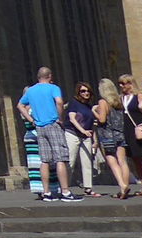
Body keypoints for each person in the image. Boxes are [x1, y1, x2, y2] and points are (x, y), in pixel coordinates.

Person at [18, 67, 80, 201]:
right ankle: (65, 192)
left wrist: (32, 120)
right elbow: (59, 101)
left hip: (40, 127)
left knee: (44, 160)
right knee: (60, 158)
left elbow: (20, 105)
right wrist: (60, 117)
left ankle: (46, 192)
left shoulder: (31, 90)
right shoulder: (53, 88)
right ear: (50, 76)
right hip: (53, 124)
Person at [94, 79, 132, 199]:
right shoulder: (118, 101)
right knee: (123, 161)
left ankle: (122, 185)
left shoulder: (103, 102)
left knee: (112, 161)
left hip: (107, 135)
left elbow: (102, 119)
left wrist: (94, 111)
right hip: (120, 133)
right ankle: (125, 187)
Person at [64, 81, 103, 196]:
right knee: (70, 161)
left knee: (87, 162)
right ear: (78, 92)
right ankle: (64, 188)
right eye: (83, 91)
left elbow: (92, 125)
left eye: (87, 91)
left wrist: (95, 140)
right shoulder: (74, 103)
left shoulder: (89, 106)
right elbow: (72, 118)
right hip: (73, 134)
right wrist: (82, 131)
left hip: (86, 136)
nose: (85, 93)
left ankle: (88, 188)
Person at [119, 74, 142, 194]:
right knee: (135, 158)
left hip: (139, 128)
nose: (121, 86)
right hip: (127, 130)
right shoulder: (121, 98)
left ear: (130, 84)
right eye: (120, 83)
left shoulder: (138, 96)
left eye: (124, 83)